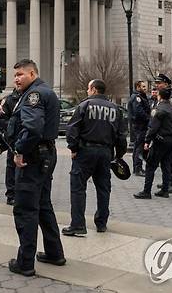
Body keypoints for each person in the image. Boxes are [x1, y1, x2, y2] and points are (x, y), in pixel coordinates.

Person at [7, 59, 64, 276]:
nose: (16, 79)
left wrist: (19, 150)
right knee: (43, 205)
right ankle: (54, 252)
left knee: (25, 209)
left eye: (20, 74)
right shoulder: (43, 91)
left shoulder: (34, 95)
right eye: (15, 75)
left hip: (32, 157)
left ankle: (25, 263)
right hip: (45, 155)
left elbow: (32, 128)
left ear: (32, 73)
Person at [63, 79, 127, 236]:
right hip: (106, 153)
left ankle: (78, 225)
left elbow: (72, 128)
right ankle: (101, 223)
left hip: (85, 151)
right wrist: (118, 156)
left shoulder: (85, 105)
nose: (87, 91)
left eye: (88, 89)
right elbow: (121, 136)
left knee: (78, 188)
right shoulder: (115, 109)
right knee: (104, 189)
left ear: (93, 89)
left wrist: (73, 148)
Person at [133, 88, 172, 199]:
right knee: (166, 165)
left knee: (150, 165)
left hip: (160, 140)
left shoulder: (158, 110)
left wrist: (147, 141)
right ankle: (164, 190)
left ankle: (146, 191)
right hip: (171, 140)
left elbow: (153, 127)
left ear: (159, 96)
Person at [0, 88, 21, 206]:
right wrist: (14, 127)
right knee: (11, 167)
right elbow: (2, 119)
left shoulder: (31, 97)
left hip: (28, 138)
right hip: (14, 139)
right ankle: (11, 194)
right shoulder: (9, 100)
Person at [128, 81, 150, 176]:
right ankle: (138, 168)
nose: (145, 88)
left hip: (140, 125)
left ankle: (137, 167)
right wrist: (148, 118)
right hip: (140, 126)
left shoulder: (141, 96)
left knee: (138, 147)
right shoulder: (137, 98)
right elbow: (138, 112)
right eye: (143, 86)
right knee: (139, 148)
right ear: (138, 87)